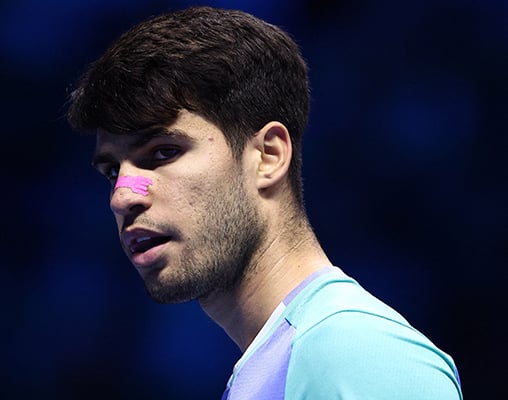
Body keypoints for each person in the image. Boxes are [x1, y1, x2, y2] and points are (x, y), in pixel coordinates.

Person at [66, 6, 462, 399]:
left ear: (268, 156)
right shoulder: (285, 361)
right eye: (112, 171)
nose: (122, 196)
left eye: (163, 152)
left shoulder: (358, 355)